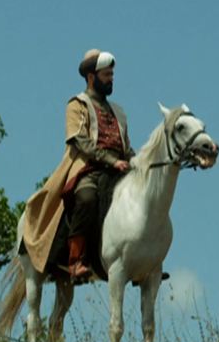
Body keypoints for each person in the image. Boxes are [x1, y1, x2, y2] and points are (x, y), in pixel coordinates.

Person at [20, 49, 134, 282]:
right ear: (91, 77)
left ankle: (143, 263)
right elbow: (80, 140)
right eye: (106, 75)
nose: (111, 79)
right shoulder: (77, 104)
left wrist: (140, 163)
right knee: (87, 198)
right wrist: (112, 160)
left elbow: (127, 147)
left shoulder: (119, 112)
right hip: (88, 167)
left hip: (119, 169)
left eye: (112, 74)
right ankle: (75, 261)